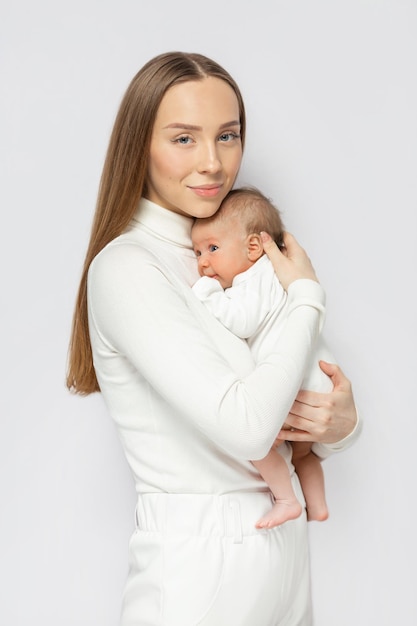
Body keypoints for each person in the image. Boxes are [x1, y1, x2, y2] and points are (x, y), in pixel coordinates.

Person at [66, 51, 361, 626]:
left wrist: (342, 425)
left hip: (282, 562)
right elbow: (249, 427)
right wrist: (306, 296)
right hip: (199, 576)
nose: (213, 162)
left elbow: (292, 386)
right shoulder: (129, 267)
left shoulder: (239, 249)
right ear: (139, 147)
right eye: (183, 139)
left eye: (228, 135)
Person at [191, 186, 334, 528]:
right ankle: (318, 506)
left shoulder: (253, 279)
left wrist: (207, 293)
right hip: (320, 379)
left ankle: (287, 500)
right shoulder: (282, 273)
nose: (203, 262)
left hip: (294, 382)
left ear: (253, 247)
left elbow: (241, 320)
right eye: (197, 252)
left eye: (212, 248)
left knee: (257, 442)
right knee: (304, 452)